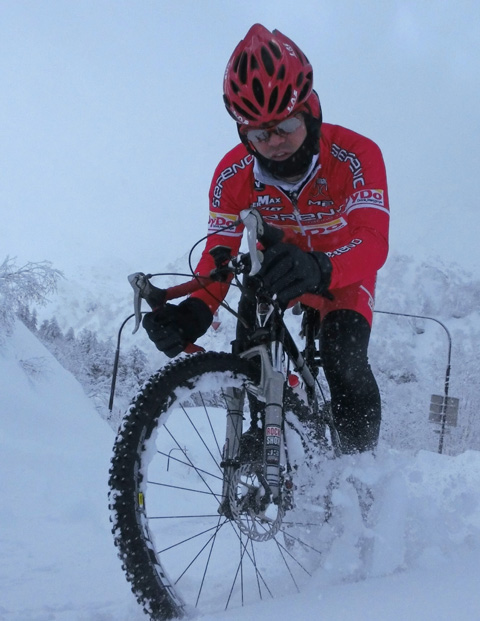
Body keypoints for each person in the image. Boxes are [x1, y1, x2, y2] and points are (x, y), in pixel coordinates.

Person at [143, 24, 389, 454]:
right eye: (259, 133)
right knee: (248, 343)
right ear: (242, 132)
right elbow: (219, 256)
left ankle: (359, 466)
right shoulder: (230, 175)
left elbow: (372, 240)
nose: (274, 142)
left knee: (345, 359)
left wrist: (322, 267)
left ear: (310, 111)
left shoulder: (356, 155)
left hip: (343, 270)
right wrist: (195, 311)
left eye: (285, 126)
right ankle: (264, 434)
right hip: (273, 267)